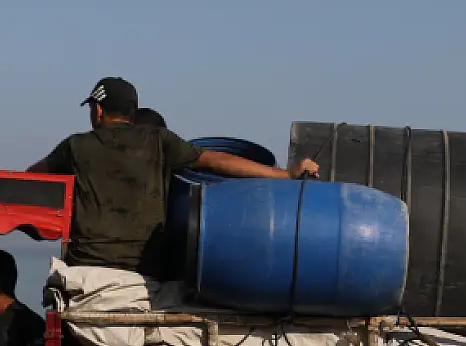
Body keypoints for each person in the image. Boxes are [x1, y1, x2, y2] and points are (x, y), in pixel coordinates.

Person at [28, 77, 319, 274]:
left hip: (88, 265)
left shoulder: (75, 146)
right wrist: (285, 174)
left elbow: (33, 177)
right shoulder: (158, 140)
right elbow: (218, 161)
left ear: (99, 110)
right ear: (132, 111)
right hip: (146, 267)